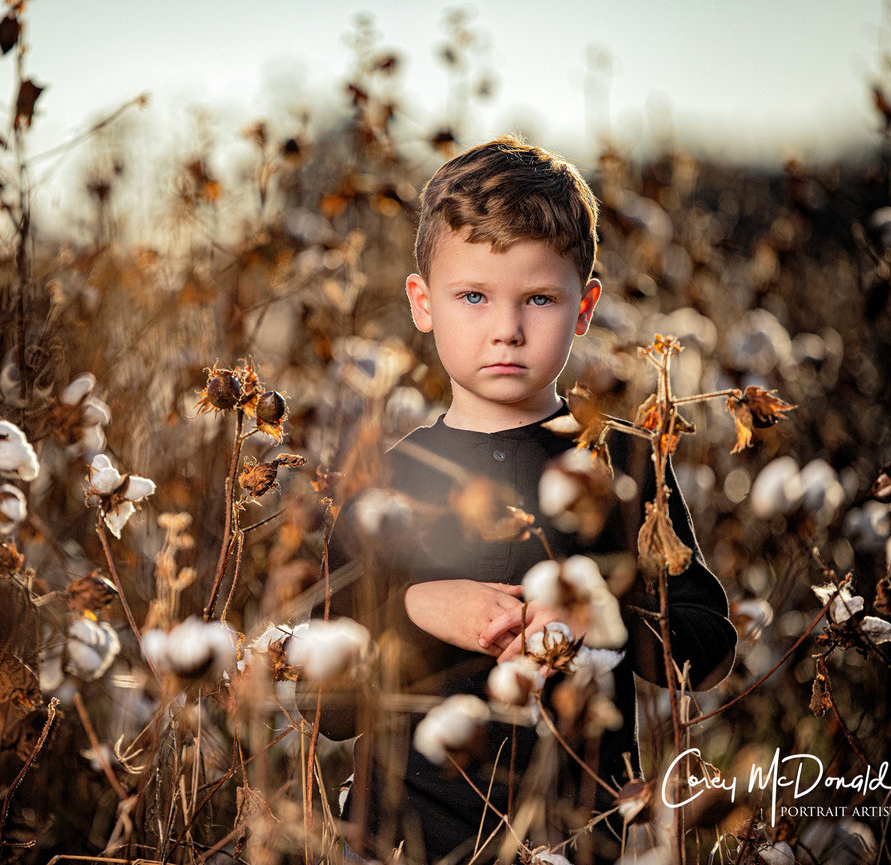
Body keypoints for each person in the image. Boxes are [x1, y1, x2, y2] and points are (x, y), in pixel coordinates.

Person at [306, 136, 737, 864]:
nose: (506, 327)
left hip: (577, 834)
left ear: (584, 307)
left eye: (538, 297)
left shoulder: (622, 460)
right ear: (423, 303)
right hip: (398, 837)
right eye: (473, 296)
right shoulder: (387, 477)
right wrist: (417, 606)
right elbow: (332, 704)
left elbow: (707, 643)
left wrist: (603, 616)